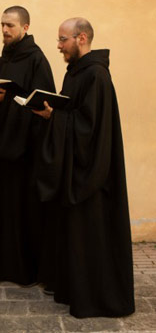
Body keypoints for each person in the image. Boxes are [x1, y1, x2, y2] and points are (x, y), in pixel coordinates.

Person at [33, 17, 135, 318]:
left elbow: (90, 130)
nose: (58, 45)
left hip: (93, 176)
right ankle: (73, 289)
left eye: (63, 39)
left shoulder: (97, 76)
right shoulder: (76, 73)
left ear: (81, 38)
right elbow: (74, 116)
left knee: (91, 237)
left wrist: (55, 118)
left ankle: (96, 298)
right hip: (75, 169)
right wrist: (55, 115)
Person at [0, 6, 55, 285]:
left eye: (10, 25)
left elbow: (41, 108)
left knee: (22, 211)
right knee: (1, 208)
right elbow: (0, 97)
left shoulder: (37, 61)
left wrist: (3, 101)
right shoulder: (2, 60)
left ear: (25, 27)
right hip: (1, 150)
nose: (5, 30)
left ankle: (22, 269)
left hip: (24, 153)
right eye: (2, 25)